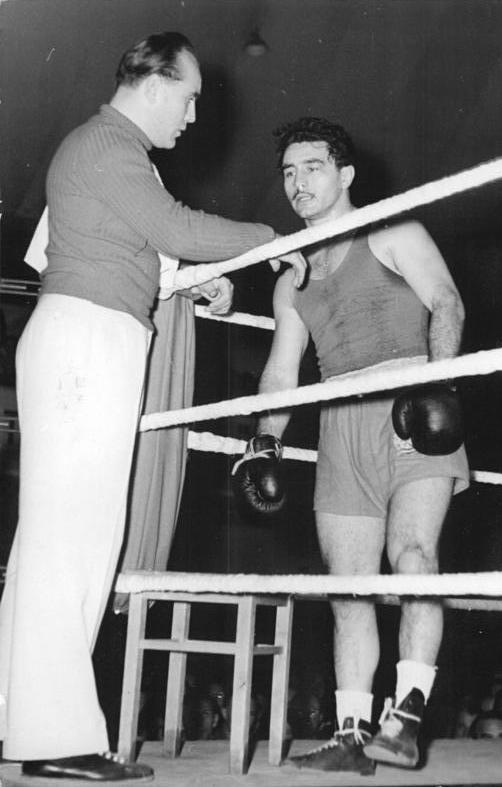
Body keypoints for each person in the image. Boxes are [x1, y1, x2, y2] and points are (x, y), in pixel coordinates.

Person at [0, 32, 305, 782]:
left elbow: (111, 247)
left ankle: (30, 724)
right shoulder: (111, 144)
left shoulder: (98, 148)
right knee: (70, 540)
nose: (195, 116)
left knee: (65, 538)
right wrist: (272, 239)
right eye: (190, 96)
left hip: (88, 333)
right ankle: (54, 738)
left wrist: (179, 281)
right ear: (153, 82)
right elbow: (173, 226)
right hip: (87, 343)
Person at [233, 117, 469, 774]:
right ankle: (350, 732)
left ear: (345, 175)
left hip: (407, 405)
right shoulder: (291, 280)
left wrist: (435, 384)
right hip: (337, 418)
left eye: (311, 167)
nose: (297, 183)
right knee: (346, 587)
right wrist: (263, 445)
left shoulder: (393, 229)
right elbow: (282, 372)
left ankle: (405, 717)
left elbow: (445, 302)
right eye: (287, 172)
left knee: (414, 553)